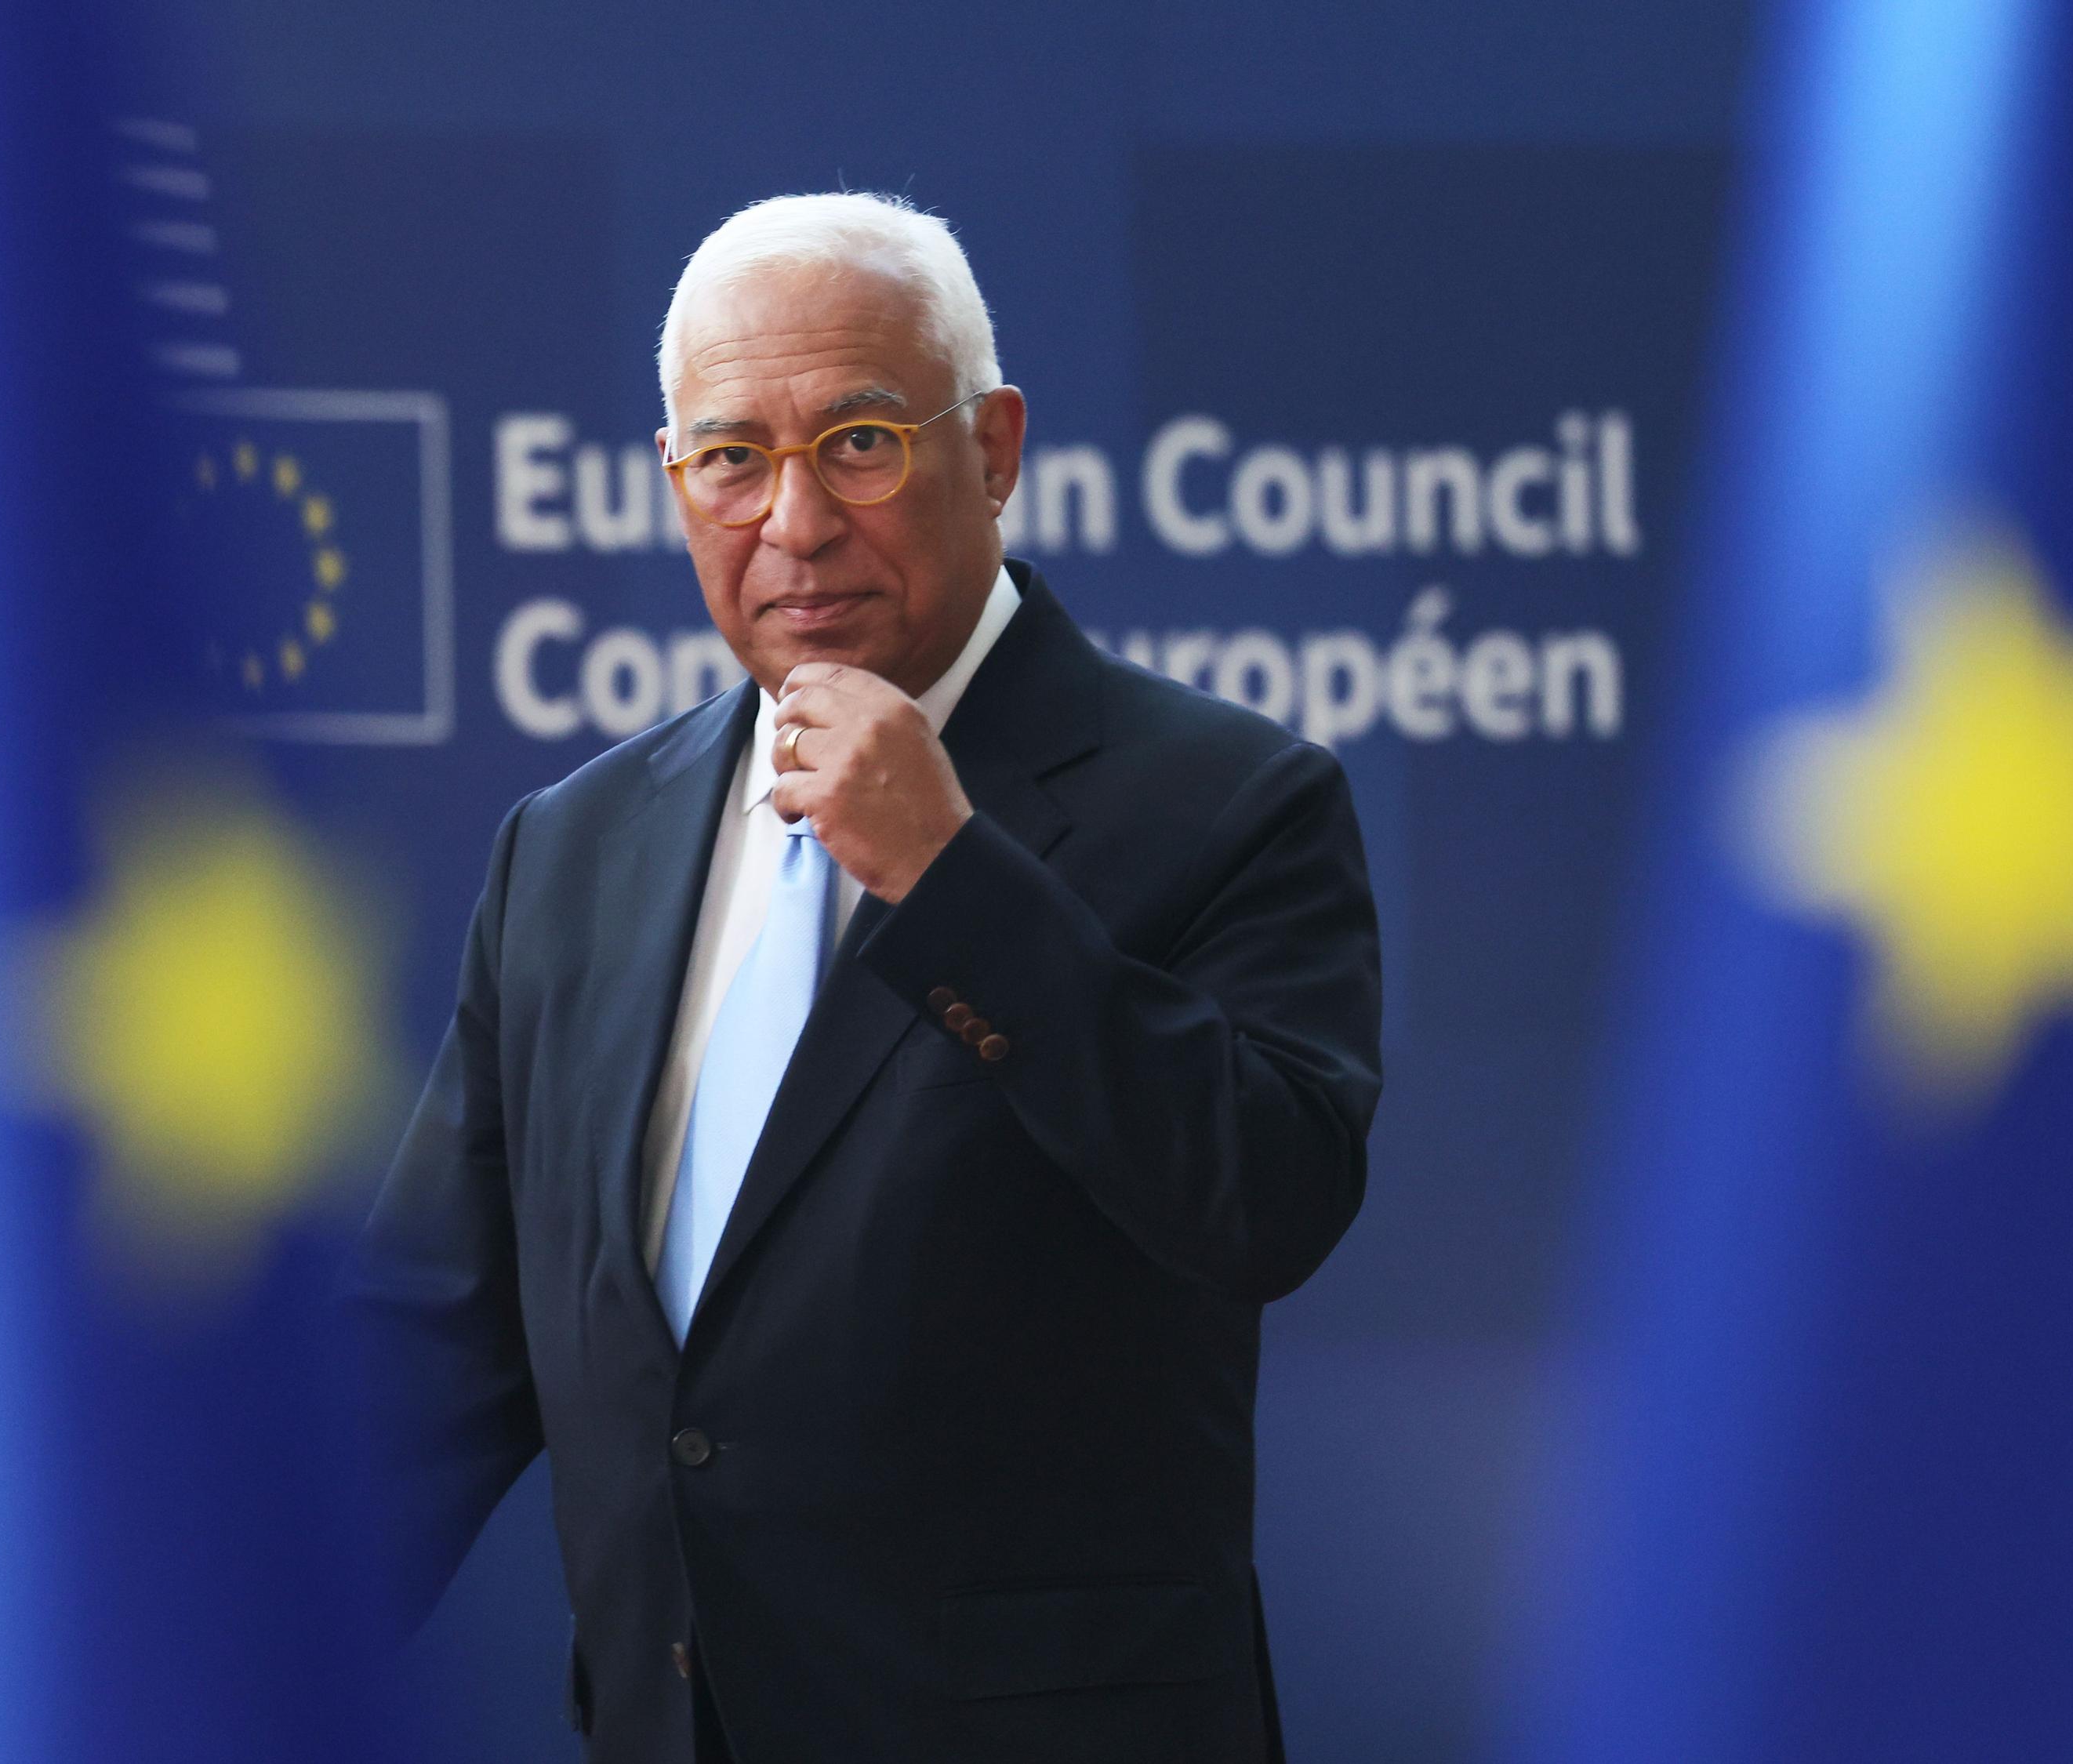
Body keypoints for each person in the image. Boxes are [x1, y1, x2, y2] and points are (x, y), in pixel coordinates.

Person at [356, 192, 1382, 1762]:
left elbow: (1267, 1200)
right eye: (730, 458)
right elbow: (434, 1344)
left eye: (858, 443)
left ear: (994, 447)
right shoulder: (570, 845)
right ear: (673, 479)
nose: (793, 522)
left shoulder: (1232, 801)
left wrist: (955, 880)